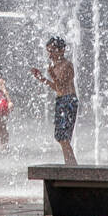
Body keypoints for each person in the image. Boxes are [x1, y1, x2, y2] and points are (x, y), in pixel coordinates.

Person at [31, 36, 77, 164]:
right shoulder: (55, 66)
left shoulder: (67, 65)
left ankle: (72, 165)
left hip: (69, 101)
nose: (50, 55)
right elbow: (57, 88)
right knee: (60, 136)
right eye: (48, 51)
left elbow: (61, 85)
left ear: (62, 50)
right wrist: (41, 78)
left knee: (63, 136)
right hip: (61, 99)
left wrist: (51, 74)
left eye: (52, 51)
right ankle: (70, 163)